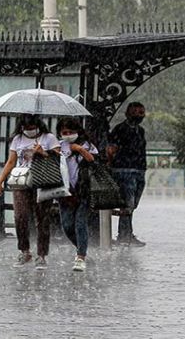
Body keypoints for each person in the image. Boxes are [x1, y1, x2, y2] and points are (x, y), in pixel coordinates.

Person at [0, 114, 60, 269]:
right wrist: (0, 182)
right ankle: (24, 250)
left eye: (32, 128)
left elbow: (59, 159)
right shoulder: (17, 139)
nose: (29, 131)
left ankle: (42, 254)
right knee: (20, 216)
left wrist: (43, 153)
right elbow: (11, 161)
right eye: (26, 128)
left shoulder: (49, 138)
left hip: (43, 181)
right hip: (22, 181)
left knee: (42, 218)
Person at [56, 118, 97, 272]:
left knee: (80, 222)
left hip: (84, 191)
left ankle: (80, 257)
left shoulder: (87, 145)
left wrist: (79, 149)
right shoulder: (58, 146)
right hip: (65, 192)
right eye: (64, 133)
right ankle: (82, 248)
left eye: (71, 132)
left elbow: (93, 160)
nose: (68, 135)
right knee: (67, 225)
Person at [106, 102, 147, 247]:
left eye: (141, 112)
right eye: (135, 112)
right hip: (124, 170)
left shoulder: (140, 131)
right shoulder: (120, 129)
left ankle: (126, 233)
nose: (138, 115)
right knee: (127, 204)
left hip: (139, 170)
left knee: (132, 204)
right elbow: (111, 150)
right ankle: (124, 235)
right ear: (127, 114)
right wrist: (111, 167)